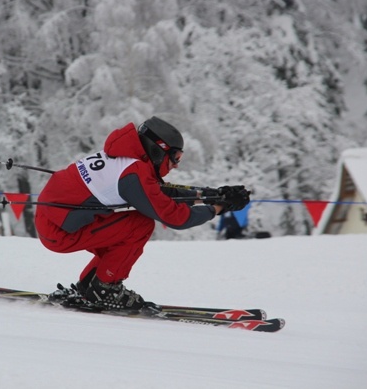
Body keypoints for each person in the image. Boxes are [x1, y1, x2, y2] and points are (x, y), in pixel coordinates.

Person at [34, 116, 250, 312]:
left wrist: (212, 195)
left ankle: (90, 286)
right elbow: (176, 217)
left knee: (129, 227)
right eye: (175, 157)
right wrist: (219, 208)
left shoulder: (128, 159)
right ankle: (104, 288)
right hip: (59, 231)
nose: (176, 165)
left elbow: (158, 192)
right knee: (140, 225)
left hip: (55, 221)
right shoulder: (133, 173)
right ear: (158, 150)